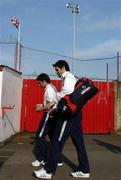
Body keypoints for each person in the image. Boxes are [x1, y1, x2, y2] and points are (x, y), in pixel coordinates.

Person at [33, 60, 90, 179]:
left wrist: (55, 100)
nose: (56, 72)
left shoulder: (68, 77)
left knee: (56, 141)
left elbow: (67, 93)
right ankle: (84, 170)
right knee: (79, 143)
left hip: (69, 115)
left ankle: (48, 171)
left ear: (63, 67)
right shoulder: (68, 78)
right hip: (76, 114)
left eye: (57, 69)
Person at [32, 73, 63, 167]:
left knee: (40, 136)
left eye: (39, 83)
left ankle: (42, 159)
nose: (39, 85)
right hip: (54, 115)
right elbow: (51, 102)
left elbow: (51, 104)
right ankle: (58, 160)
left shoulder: (49, 90)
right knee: (53, 138)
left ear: (44, 81)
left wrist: (40, 109)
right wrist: (41, 105)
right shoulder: (52, 87)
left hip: (48, 115)